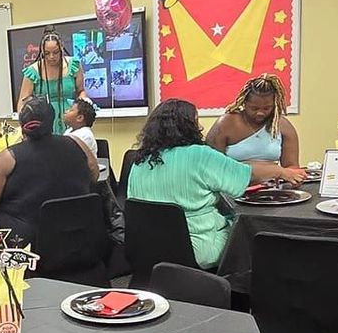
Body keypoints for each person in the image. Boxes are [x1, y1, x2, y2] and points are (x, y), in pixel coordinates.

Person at [126, 99, 308, 269]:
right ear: (189, 126)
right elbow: (246, 173)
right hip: (197, 248)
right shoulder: (200, 155)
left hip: (148, 248)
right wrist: (282, 172)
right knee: (252, 235)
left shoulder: (140, 161)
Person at [0, 96, 92, 243]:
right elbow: (93, 175)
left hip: (26, 244)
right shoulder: (77, 144)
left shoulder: (8, 157)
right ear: (52, 121)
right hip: (78, 235)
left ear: (21, 124)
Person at [207, 74, 301, 170]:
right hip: (233, 182)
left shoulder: (282, 126)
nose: (260, 113)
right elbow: (211, 165)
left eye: (266, 108)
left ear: (274, 105)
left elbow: (292, 167)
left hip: (272, 183)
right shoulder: (226, 124)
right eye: (254, 108)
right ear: (244, 103)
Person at [19, 29, 81, 124]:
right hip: (43, 122)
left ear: (61, 48)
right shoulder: (33, 71)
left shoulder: (74, 65)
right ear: (42, 51)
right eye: (47, 53)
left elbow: (81, 91)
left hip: (71, 119)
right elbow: (23, 102)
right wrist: (24, 125)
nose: (51, 57)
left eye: (55, 52)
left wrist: (82, 108)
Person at [61, 97, 106, 183]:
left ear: (80, 118)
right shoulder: (69, 130)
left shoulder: (85, 135)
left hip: (82, 180)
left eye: (70, 110)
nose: (66, 111)